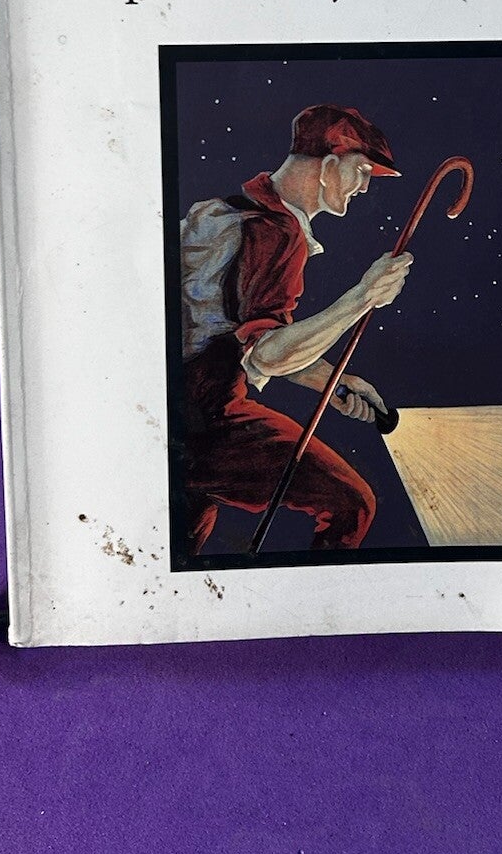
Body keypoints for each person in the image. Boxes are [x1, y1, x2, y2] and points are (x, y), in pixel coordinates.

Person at [176, 105, 412, 554]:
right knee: (352, 505)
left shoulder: (226, 211)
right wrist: (363, 297)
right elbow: (266, 354)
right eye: (362, 171)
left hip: (171, 423)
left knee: (183, 542)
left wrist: (334, 383)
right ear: (328, 165)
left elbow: (234, 338)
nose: (364, 187)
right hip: (209, 423)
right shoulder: (277, 234)